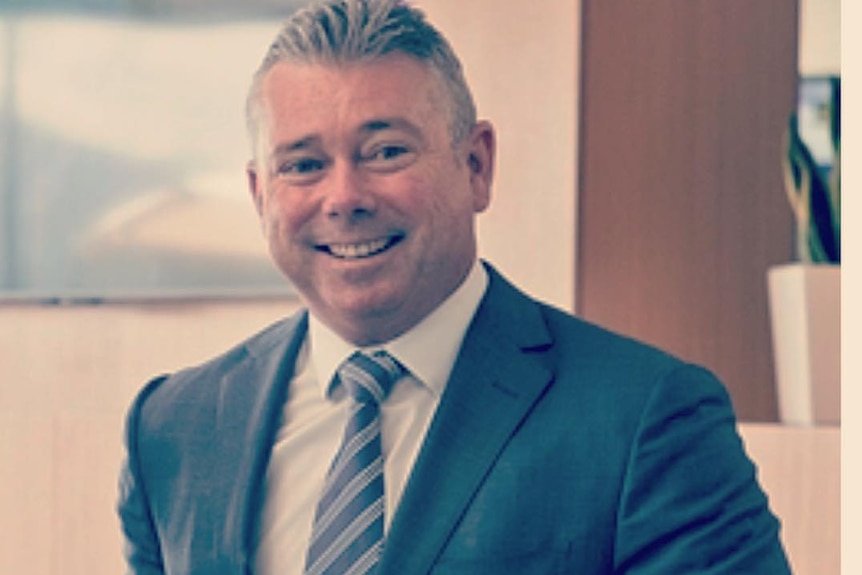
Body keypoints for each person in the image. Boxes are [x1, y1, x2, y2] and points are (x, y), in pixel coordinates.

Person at [117, 1, 792, 573]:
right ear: (261, 195)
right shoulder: (172, 428)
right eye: (304, 164)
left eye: (386, 151)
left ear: (475, 165)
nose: (344, 195)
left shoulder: (646, 418)